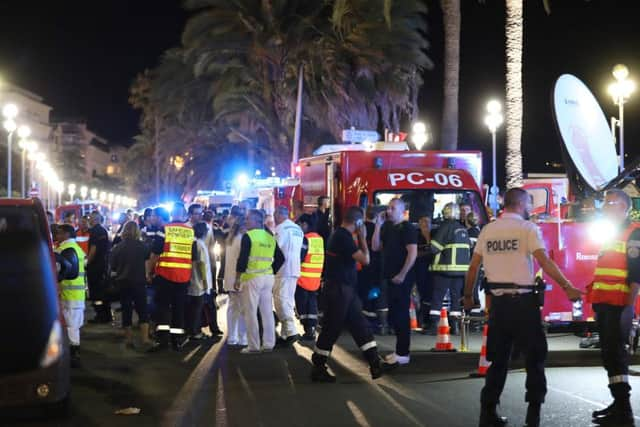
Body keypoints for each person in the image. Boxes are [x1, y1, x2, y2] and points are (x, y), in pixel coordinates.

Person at [463, 188, 582, 427]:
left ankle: (488, 413)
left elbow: (473, 267)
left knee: (498, 360)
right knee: (535, 358)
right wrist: (567, 286)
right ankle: (533, 414)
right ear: (519, 203)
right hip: (524, 304)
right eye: (528, 203)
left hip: (498, 306)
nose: (530, 207)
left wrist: (468, 296)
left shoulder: (488, 230)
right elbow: (544, 261)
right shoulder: (527, 229)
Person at [311, 206, 390, 382]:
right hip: (339, 290)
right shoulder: (343, 238)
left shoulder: (340, 235)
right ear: (358, 222)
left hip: (344, 289)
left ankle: (374, 362)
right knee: (332, 327)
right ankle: (318, 365)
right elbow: (366, 259)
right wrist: (363, 238)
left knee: (360, 325)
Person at [587, 189, 640, 426]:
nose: (606, 206)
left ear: (624, 207)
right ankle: (618, 404)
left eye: (611, 203)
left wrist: (629, 309)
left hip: (619, 305)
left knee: (616, 356)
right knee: (609, 356)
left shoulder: (634, 232)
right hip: (605, 304)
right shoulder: (610, 233)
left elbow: (636, 275)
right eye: (605, 202)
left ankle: (624, 410)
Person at [372, 198, 418, 365]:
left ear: (401, 210)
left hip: (401, 279)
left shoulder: (407, 228)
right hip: (390, 276)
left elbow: (412, 253)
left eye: (392, 208)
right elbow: (376, 247)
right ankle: (399, 351)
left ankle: (403, 353)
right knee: (395, 315)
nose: (389, 211)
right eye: (388, 208)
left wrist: (402, 274)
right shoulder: (388, 227)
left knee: (401, 315)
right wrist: (378, 225)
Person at [147, 203, 195, 352]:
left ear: (172, 213)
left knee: (162, 308)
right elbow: (193, 257)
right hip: (183, 277)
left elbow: (155, 253)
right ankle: (177, 341)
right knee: (178, 309)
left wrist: (149, 271)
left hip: (165, 276)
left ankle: (163, 341)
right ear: (184, 214)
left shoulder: (165, 229)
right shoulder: (190, 232)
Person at [234, 209, 283, 353]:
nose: (246, 221)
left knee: (250, 312)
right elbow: (281, 258)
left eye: (248, 219)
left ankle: (253, 346)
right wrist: (271, 269)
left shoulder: (248, 236)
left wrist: (237, 278)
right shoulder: (270, 237)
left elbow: (242, 260)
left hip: (252, 277)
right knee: (267, 312)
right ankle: (269, 343)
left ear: (256, 221)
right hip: (268, 277)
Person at [426, 202, 471, 336]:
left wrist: (427, 235)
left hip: (444, 269)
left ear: (445, 213)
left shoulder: (445, 227)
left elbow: (434, 248)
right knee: (455, 298)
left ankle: (433, 326)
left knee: (438, 298)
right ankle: (455, 327)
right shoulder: (462, 229)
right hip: (460, 272)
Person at [110, 221, 151, 349]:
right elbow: (147, 262)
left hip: (123, 282)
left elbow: (113, 266)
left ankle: (129, 340)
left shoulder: (118, 247)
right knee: (142, 309)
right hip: (139, 281)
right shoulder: (143, 246)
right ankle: (145, 339)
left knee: (126, 310)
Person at [54, 224, 85, 367]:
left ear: (66, 234)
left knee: (71, 327)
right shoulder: (78, 249)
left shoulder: (65, 249)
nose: (57, 236)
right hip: (76, 294)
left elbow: (59, 270)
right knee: (73, 326)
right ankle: (73, 353)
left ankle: (74, 356)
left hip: (69, 294)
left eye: (59, 233)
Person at [273, 205, 304, 345]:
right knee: (289, 301)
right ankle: (285, 335)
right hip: (295, 268)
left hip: (283, 270)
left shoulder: (280, 229)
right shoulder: (298, 229)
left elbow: (276, 249)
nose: (274, 218)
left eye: (275, 215)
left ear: (280, 214)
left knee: (280, 301)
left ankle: (291, 332)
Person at [357, 206, 388, 334]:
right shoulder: (382, 229)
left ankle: (367, 323)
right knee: (377, 294)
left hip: (364, 267)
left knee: (366, 294)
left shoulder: (361, 228)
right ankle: (380, 324)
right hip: (379, 267)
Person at [296, 214, 323, 341]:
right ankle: (311, 330)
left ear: (305, 224)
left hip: (303, 278)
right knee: (312, 304)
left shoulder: (305, 239)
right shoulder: (319, 239)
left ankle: (308, 331)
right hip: (315, 278)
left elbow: (300, 257)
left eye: (299, 225)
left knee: (303, 305)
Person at [223, 212, 247, 346]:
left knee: (232, 308)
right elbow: (243, 261)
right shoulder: (243, 239)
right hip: (240, 279)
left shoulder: (231, 239)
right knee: (243, 309)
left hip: (230, 279)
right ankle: (242, 338)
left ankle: (232, 337)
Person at [186, 222, 213, 340]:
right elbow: (201, 264)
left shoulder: (193, 243)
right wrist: (205, 282)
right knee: (197, 309)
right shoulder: (200, 245)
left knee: (193, 308)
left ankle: (192, 330)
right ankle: (195, 332)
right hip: (199, 282)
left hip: (192, 281)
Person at [87, 210, 111, 323]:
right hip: (103, 264)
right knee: (103, 291)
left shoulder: (94, 231)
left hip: (95, 266)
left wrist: (87, 262)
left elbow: (93, 249)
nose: (89, 220)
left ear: (95, 219)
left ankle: (100, 315)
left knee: (96, 292)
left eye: (90, 218)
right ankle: (106, 314)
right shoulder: (103, 231)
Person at [415, 215, 434, 332]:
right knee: (418, 296)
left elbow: (432, 250)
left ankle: (425, 322)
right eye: (423, 222)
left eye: (427, 222)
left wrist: (427, 236)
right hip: (418, 270)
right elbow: (414, 253)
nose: (425, 224)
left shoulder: (434, 235)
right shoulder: (415, 235)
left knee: (428, 297)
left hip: (430, 270)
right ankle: (419, 321)